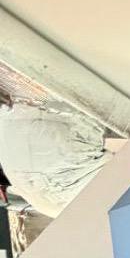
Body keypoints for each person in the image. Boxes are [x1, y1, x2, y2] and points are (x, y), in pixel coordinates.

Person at [0, 88, 108, 218]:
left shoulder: (74, 208)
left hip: (71, 136)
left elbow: (117, 162)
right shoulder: (16, 178)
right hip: (19, 113)